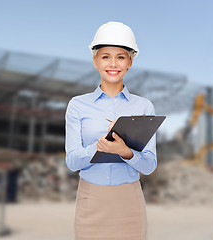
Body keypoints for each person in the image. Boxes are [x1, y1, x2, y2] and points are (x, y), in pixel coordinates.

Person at [65, 21, 157, 240]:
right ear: (95, 62)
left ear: (130, 62)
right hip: (91, 201)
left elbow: (150, 165)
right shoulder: (77, 105)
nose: (113, 63)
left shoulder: (144, 107)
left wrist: (125, 151)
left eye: (121, 57)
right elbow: (72, 162)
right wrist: (100, 146)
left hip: (129, 201)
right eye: (105, 56)